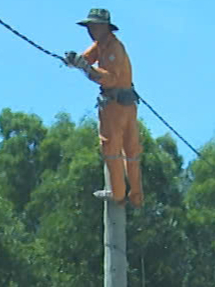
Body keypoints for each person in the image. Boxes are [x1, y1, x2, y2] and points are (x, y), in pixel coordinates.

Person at [63, 8, 144, 208]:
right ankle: (135, 196)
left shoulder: (113, 48)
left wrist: (87, 69)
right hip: (126, 103)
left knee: (112, 148)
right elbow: (87, 58)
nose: (90, 30)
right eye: (89, 26)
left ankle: (118, 194)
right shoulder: (101, 45)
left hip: (116, 105)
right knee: (131, 150)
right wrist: (76, 61)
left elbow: (109, 78)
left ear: (105, 27)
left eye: (94, 26)